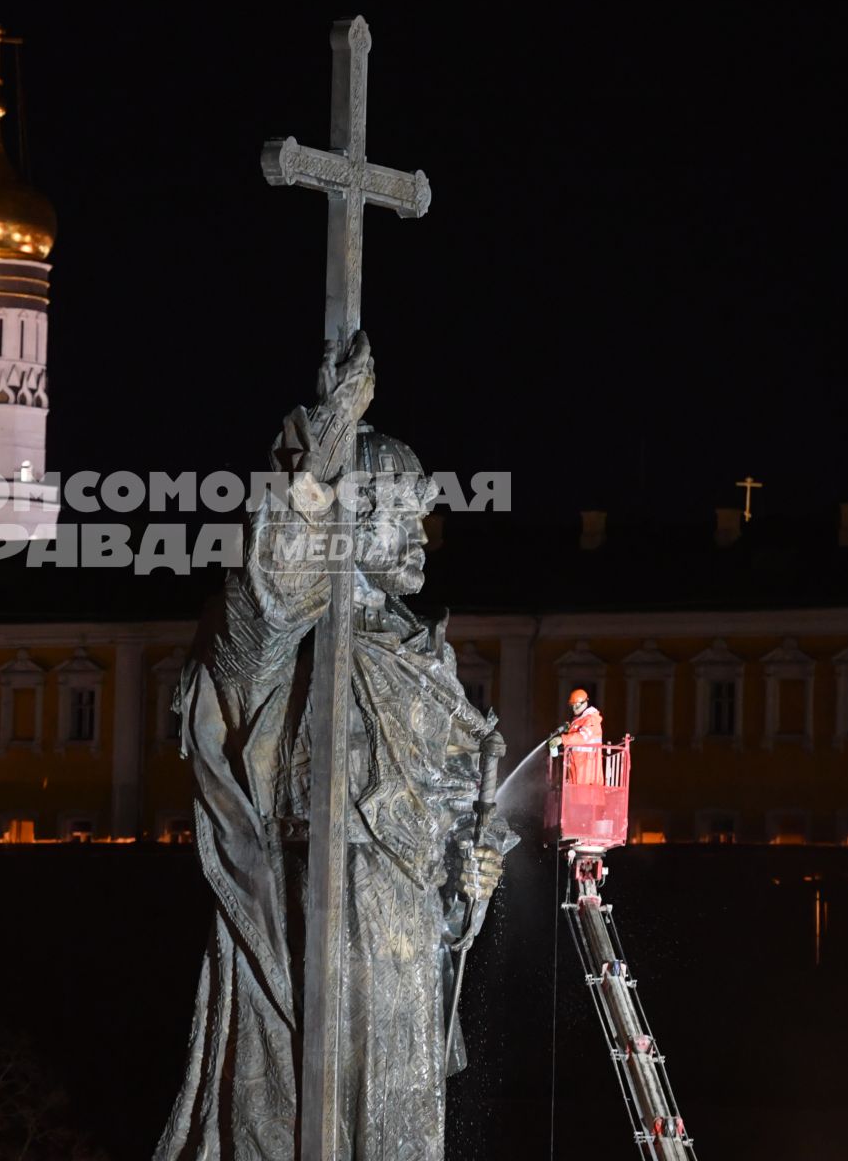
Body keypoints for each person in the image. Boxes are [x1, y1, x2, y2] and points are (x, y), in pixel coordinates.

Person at [155, 333, 514, 1161]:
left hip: (402, 952)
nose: (424, 531)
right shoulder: (296, 638)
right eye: (401, 511)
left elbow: (461, 820)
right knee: (292, 1127)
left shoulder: (424, 658)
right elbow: (270, 607)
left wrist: (472, 875)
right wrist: (316, 477)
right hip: (310, 923)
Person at [548, 688, 605, 785]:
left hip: (587, 768)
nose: (574, 708)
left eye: (577, 706)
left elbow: (582, 737)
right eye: (572, 706)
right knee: (575, 796)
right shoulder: (579, 719)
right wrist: (569, 730)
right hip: (577, 765)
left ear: (585, 703)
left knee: (584, 797)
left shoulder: (591, 719)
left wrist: (562, 739)